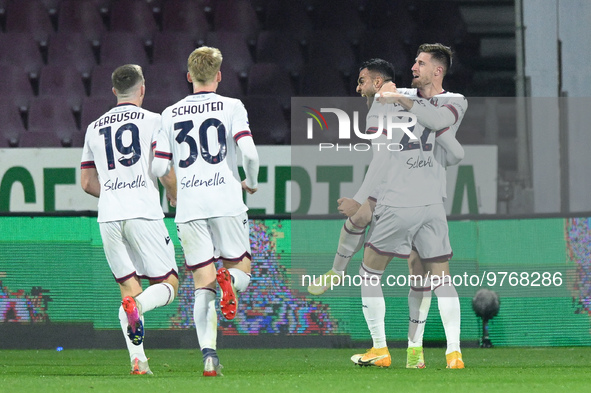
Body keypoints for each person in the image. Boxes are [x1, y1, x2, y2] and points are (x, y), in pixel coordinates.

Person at [349, 43, 467, 369]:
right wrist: (381, 91)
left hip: (406, 200)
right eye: (414, 62)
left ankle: (381, 348)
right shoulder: (403, 94)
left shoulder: (454, 102)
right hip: (428, 203)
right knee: (425, 273)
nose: (413, 67)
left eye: (421, 63)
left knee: (371, 271)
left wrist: (398, 98)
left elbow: (434, 117)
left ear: (437, 71)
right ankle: (425, 352)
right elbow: (379, 121)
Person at [152, 46, 259, 377]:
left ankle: (209, 357)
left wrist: (172, 190)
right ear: (219, 75)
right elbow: (250, 153)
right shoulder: (231, 106)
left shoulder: (169, 114)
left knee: (202, 284)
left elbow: (158, 166)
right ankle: (231, 280)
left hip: (190, 206)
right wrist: (250, 181)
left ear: (189, 77)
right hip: (226, 199)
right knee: (239, 269)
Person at [80, 64, 179, 375]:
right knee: (169, 282)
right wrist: (175, 195)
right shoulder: (153, 120)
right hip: (144, 211)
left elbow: (85, 182)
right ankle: (140, 308)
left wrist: (112, 193)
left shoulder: (94, 127)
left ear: (114, 91)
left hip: (109, 216)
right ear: (142, 89)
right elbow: (163, 169)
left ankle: (139, 362)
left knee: (128, 288)